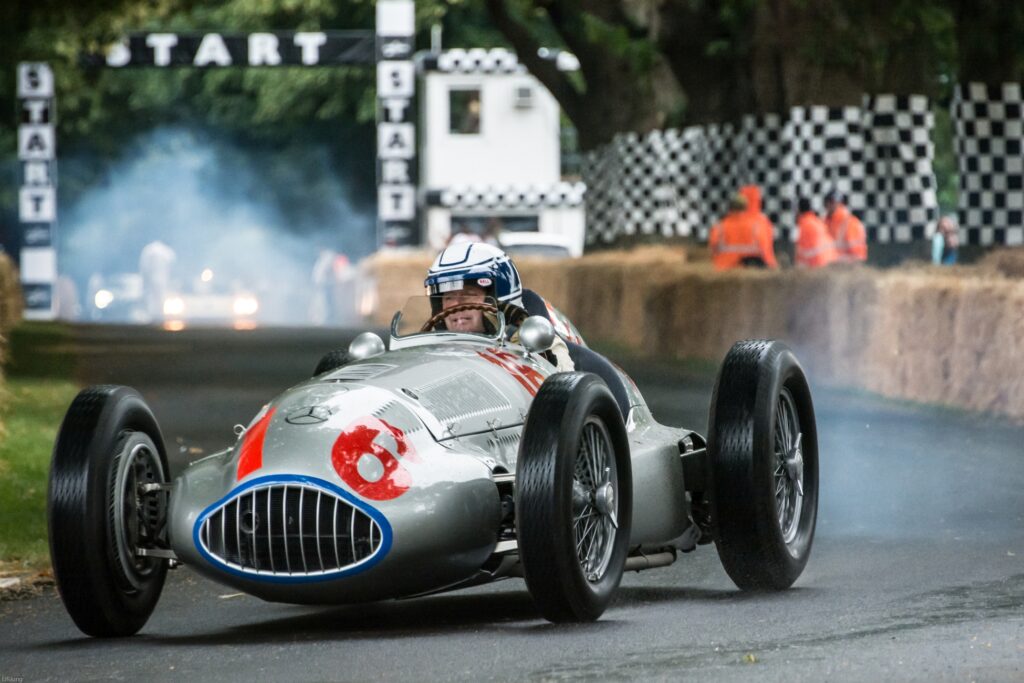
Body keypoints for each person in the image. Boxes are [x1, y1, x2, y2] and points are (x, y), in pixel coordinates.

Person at [424, 242, 631, 415]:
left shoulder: (544, 352)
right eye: (448, 298)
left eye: (469, 295)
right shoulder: (429, 353)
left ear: (500, 300)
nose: (456, 306)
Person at [708, 190, 778, 270]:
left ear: (729, 208)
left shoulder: (719, 227)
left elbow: (713, 247)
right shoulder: (756, 225)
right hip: (751, 268)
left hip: (724, 267)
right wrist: (771, 263)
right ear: (745, 207)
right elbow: (764, 247)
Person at [825, 190, 868, 263]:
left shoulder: (850, 223)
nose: (828, 205)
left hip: (849, 265)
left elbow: (857, 254)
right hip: (837, 263)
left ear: (840, 204)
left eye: (832, 202)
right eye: (827, 202)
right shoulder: (827, 221)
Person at [795, 197, 837, 268]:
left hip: (818, 264)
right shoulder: (817, 221)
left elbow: (801, 254)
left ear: (799, 211)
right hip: (831, 260)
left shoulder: (804, 224)